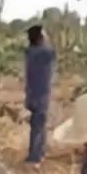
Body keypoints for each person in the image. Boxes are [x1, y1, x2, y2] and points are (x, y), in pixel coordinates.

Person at [23, 25, 56, 165]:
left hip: (32, 93)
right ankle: (35, 155)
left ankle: (38, 152)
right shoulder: (44, 52)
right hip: (40, 94)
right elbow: (56, 52)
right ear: (39, 37)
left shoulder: (30, 52)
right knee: (39, 125)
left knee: (37, 125)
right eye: (44, 34)